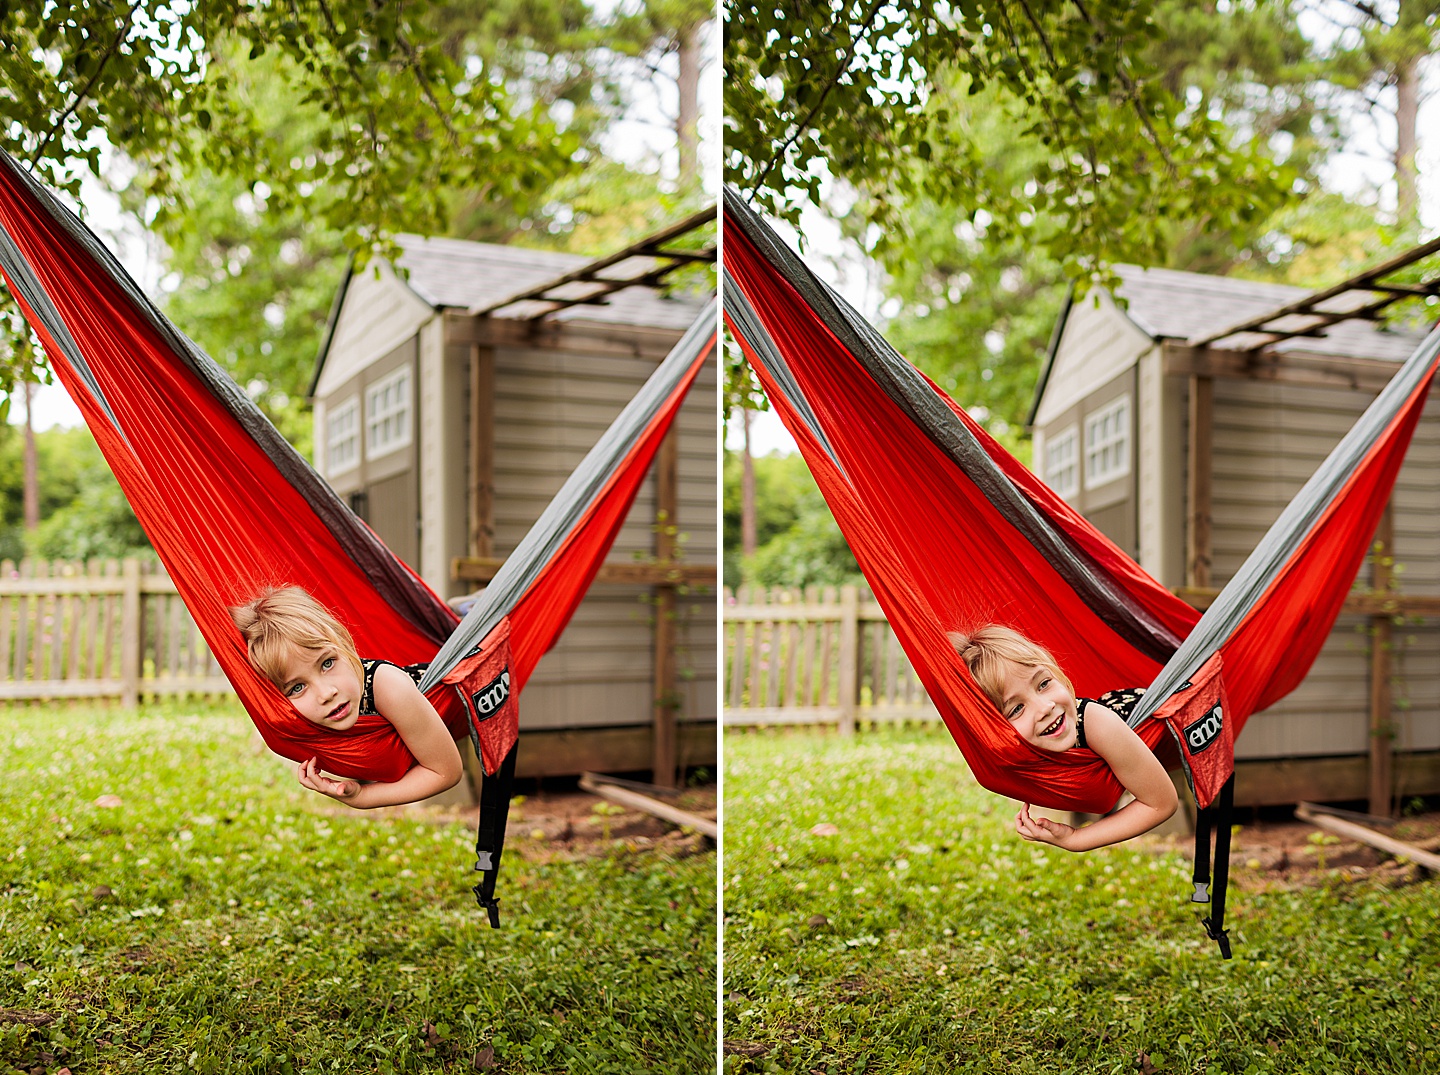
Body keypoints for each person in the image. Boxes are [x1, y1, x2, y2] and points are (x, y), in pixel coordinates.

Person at [229, 586, 463, 809]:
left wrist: (364, 797)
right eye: (297, 687)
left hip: (464, 680)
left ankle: (466, 614)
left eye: (327, 663)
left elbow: (444, 771)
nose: (326, 693)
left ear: (343, 642)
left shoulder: (389, 686)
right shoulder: (297, 720)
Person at [950, 625, 1178, 851]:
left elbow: (1160, 803)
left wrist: (1076, 839)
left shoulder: (1097, 722)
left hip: (1181, 711)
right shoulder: (1006, 757)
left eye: (1043, 683)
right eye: (1017, 708)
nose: (1045, 708)